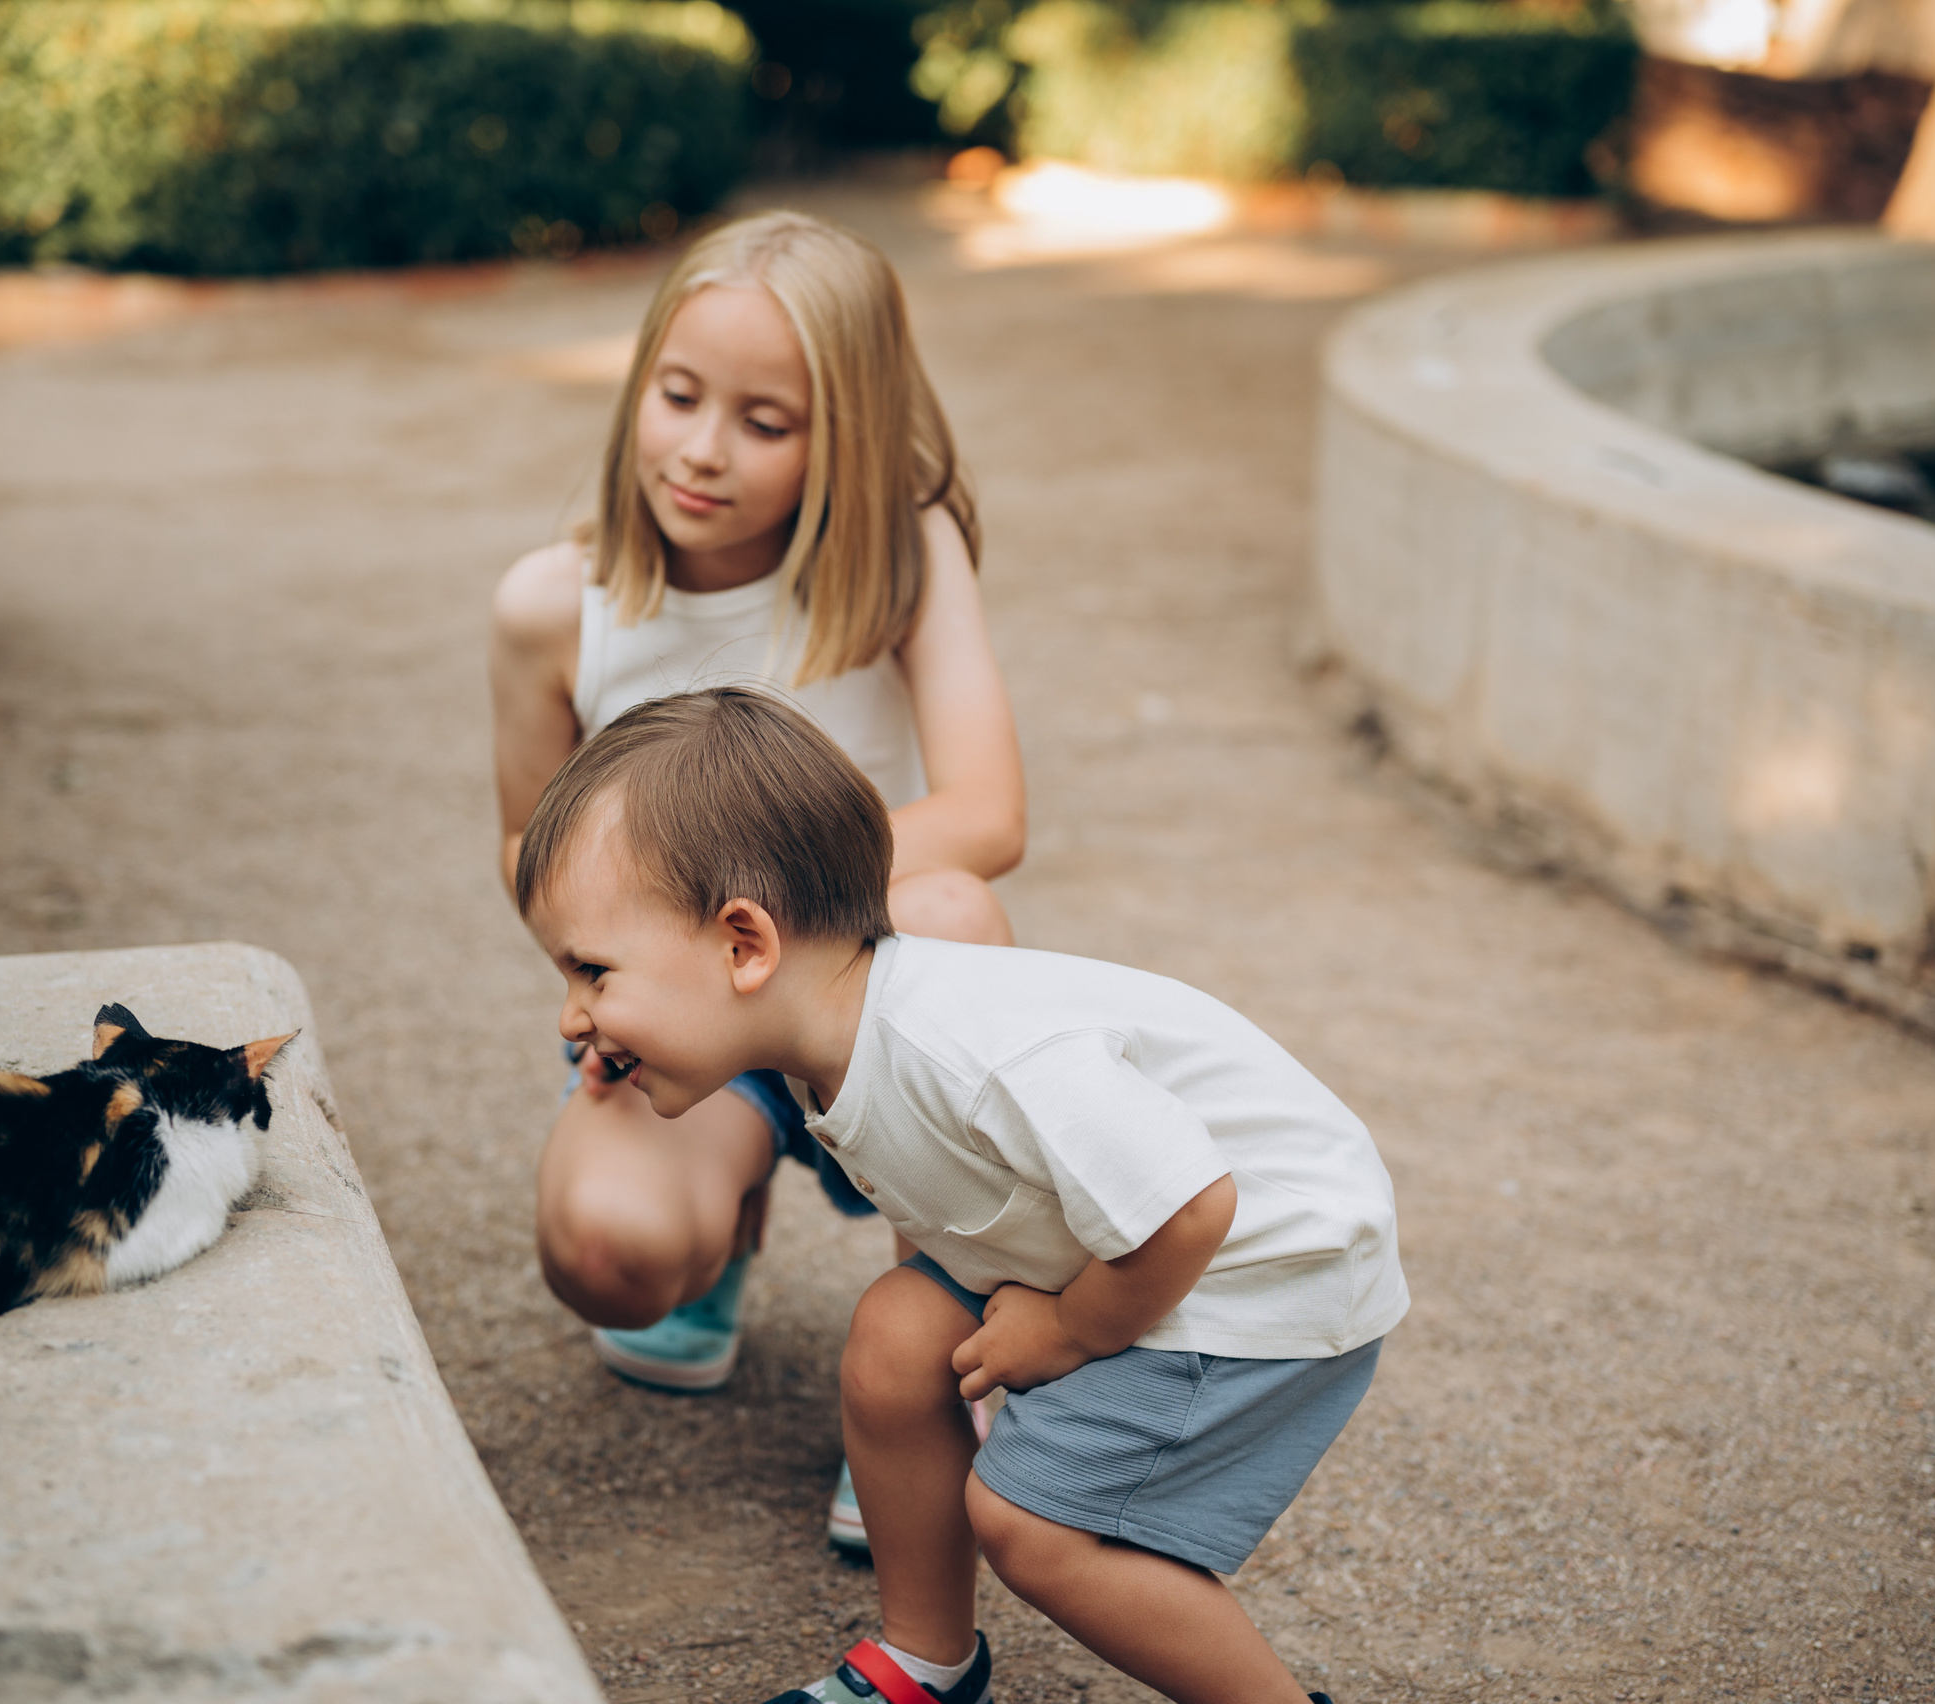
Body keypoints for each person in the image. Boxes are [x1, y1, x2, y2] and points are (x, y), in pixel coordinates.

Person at [512, 688, 1406, 1704]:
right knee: (898, 1330)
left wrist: (1069, 1334)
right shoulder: (832, 1044)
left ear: (744, 945)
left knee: (1035, 1527)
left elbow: (1190, 1207)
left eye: (592, 972)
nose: (572, 1017)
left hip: (1262, 1267)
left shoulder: (961, 1049)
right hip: (1130, 1247)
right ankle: (924, 1662)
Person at [488, 209, 1026, 1547]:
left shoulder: (903, 554)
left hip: (865, 992)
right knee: (605, 1253)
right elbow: (527, 857)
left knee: (957, 911)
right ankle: (713, 1227)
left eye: (765, 421)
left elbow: (987, 815)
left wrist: (776, 907)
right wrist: (645, 972)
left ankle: (933, 1378)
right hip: (692, 1023)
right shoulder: (558, 607)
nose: (703, 449)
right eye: (678, 396)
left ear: (841, 433)